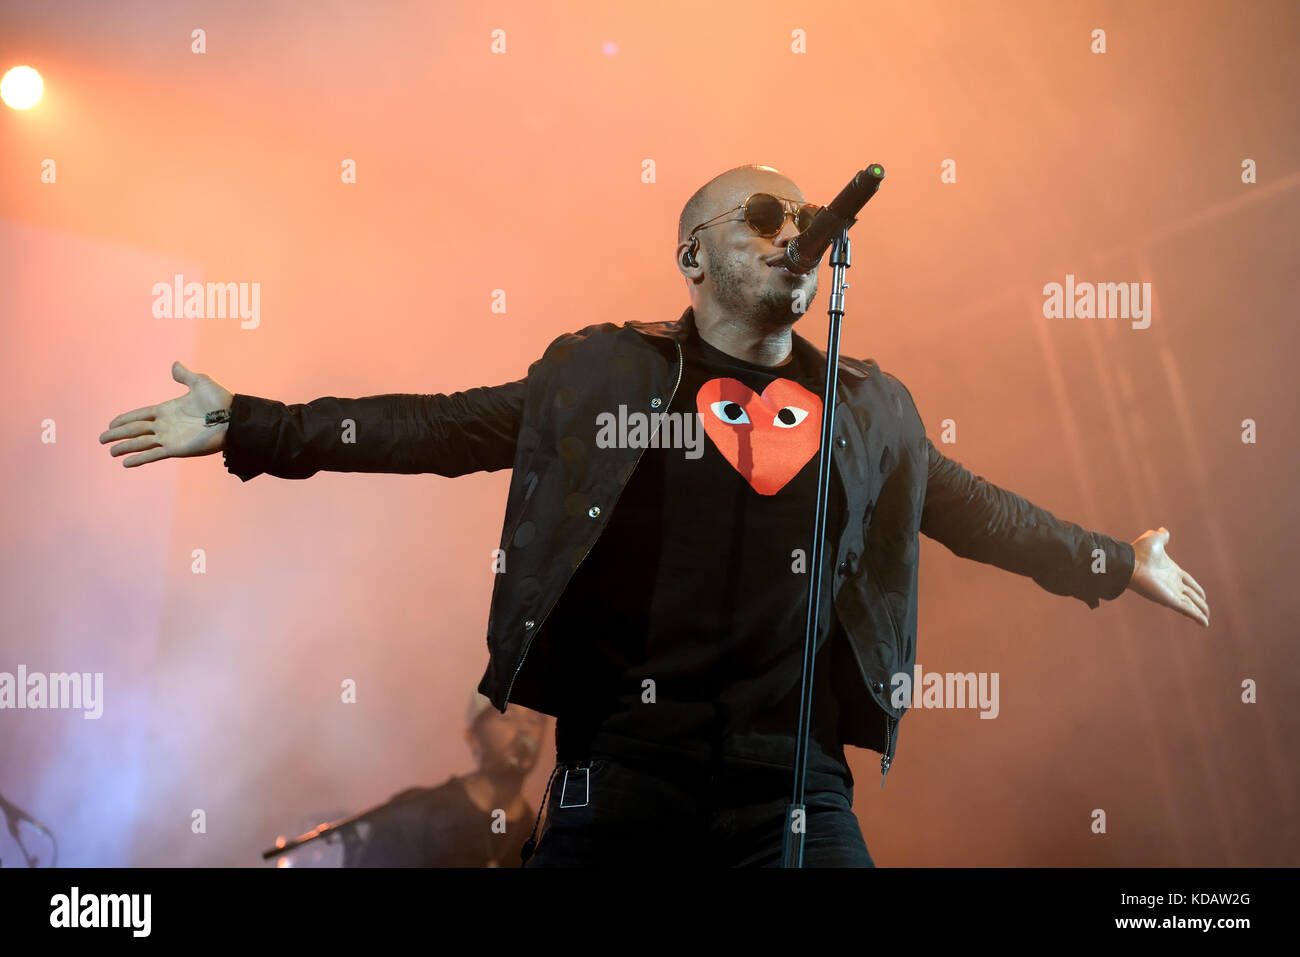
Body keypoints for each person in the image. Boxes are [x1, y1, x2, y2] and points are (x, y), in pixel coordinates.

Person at [99, 163, 1210, 868]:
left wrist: (1113, 560)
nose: (795, 232)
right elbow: (442, 428)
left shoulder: (867, 408)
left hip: (796, 780)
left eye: (805, 216)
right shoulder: (604, 375)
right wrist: (250, 423)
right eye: (762, 216)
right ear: (691, 258)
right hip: (622, 772)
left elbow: (968, 509)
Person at [344, 694, 547, 867]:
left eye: (534, 720)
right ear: (472, 737)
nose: (524, 730)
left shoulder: (545, 837)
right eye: (507, 716)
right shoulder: (413, 815)